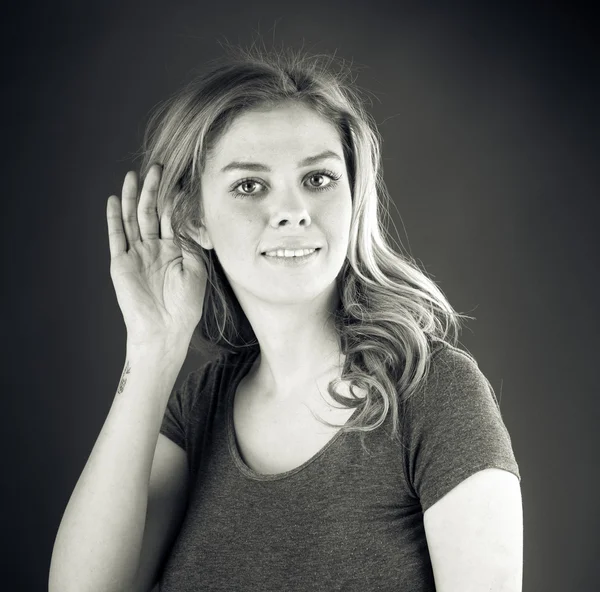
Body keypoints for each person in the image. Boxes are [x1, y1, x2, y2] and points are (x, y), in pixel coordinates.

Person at [49, 44, 523, 592]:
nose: (293, 209)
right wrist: (153, 348)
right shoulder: (199, 408)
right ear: (192, 219)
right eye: (250, 185)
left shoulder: (434, 393)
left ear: (354, 196)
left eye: (319, 178)